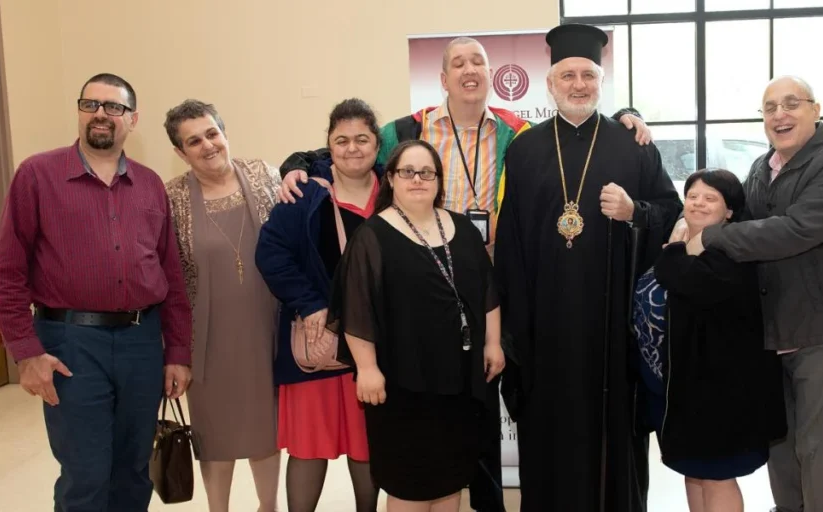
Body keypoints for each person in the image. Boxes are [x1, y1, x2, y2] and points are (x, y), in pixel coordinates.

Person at [275, 36, 651, 512]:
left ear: (492, 75)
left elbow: (597, 140)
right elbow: (352, 150)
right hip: (418, 283)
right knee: (419, 405)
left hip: (485, 282)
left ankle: (486, 502)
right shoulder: (406, 129)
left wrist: (630, 114)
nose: (469, 70)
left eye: (478, 62)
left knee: (476, 406)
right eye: (458, 63)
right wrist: (299, 164)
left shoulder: (516, 134)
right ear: (443, 78)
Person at [494, 23, 681, 512]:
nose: (579, 85)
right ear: (550, 84)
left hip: (612, 326)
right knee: (549, 432)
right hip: (546, 326)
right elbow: (511, 241)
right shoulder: (526, 148)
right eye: (568, 75)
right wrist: (516, 325)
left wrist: (634, 211)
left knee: (612, 436)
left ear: (601, 82)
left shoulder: (631, 146)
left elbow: (671, 213)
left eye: (589, 76)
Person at [672, 76, 823, 512]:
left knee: (817, 444)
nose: (780, 115)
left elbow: (794, 230)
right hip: (771, 325)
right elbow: (735, 215)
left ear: (815, 111)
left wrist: (710, 238)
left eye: (791, 104)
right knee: (779, 438)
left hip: (821, 324)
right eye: (770, 108)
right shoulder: (763, 167)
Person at [0, 73, 192, 512]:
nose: (101, 114)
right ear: (80, 112)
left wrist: (177, 351)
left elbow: (171, 276)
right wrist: (25, 352)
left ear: (133, 119)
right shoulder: (37, 175)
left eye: (114, 107)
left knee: (134, 467)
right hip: (69, 344)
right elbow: (8, 269)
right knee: (85, 473)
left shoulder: (150, 185)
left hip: (142, 342)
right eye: (91, 104)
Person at [334, 139, 505, 512]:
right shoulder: (372, 236)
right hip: (401, 382)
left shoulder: (460, 227)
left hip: (460, 378)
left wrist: (493, 343)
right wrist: (366, 369)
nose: (417, 179)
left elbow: (487, 291)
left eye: (426, 172)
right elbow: (355, 308)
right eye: (407, 171)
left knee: (451, 478)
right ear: (391, 179)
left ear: (438, 180)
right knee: (410, 484)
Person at [254, 99, 381, 512]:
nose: (352, 148)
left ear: (378, 144)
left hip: (376, 347)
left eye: (362, 138)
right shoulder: (305, 193)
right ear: (328, 146)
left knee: (369, 444)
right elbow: (270, 253)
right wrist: (310, 304)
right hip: (317, 344)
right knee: (309, 448)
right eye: (341, 140)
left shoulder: (394, 191)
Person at [636, 169, 786, 512]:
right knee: (694, 472)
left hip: (718, 391)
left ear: (729, 210)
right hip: (679, 388)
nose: (698, 203)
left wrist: (674, 248)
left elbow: (686, 279)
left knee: (716, 475)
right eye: (692, 196)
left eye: (710, 198)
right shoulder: (683, 241)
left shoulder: (731, 246)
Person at [162, 99, 282, 512]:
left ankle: (268, 506)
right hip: (206, 339)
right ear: (181, 152)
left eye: (212, 133)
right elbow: (168, 276)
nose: (207, 145)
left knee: (267, 426)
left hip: (266, 326)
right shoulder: (171, 198)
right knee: (214, 433)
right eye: (193, 141)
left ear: (225, 133)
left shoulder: (265, 175)